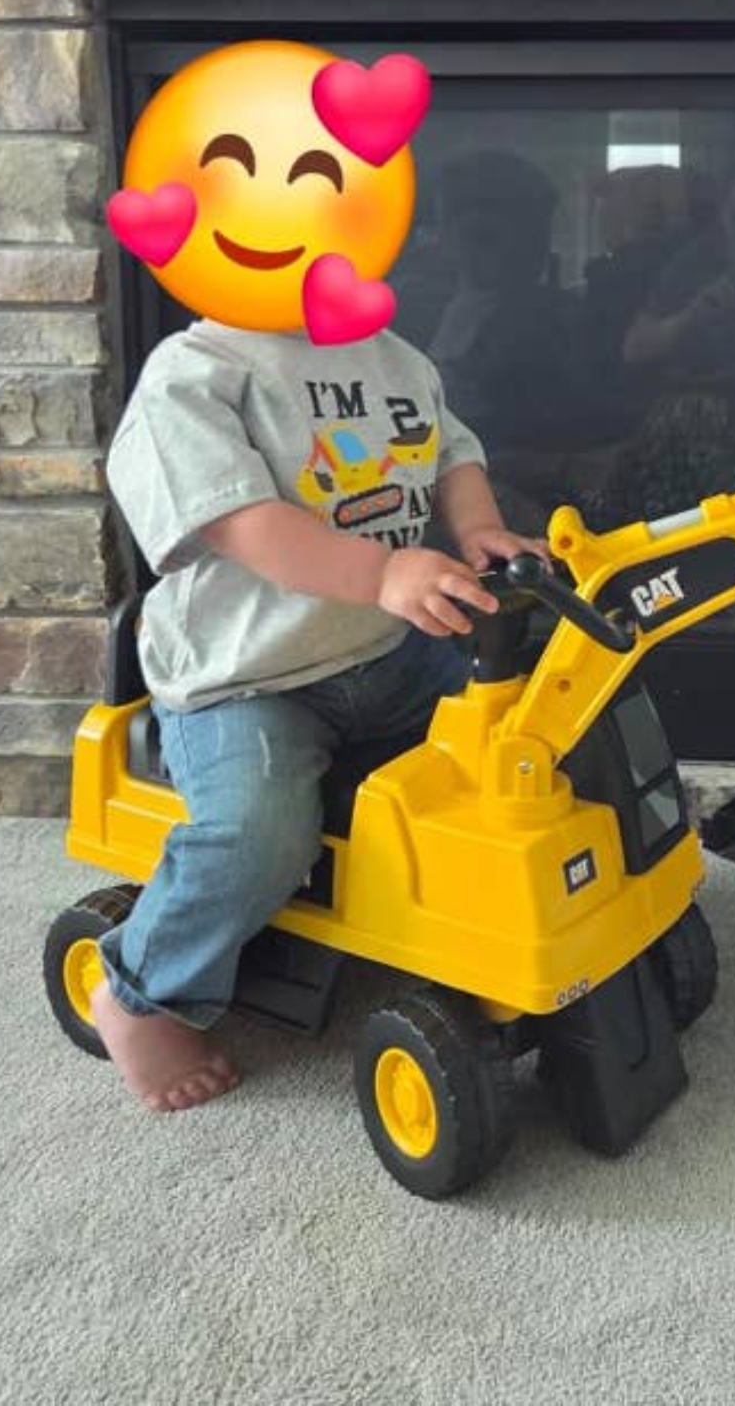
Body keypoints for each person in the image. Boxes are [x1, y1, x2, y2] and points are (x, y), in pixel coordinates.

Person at [95, 310, 540, 1111]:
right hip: (248, 677)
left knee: (526, 732)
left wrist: (479, 529)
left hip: (387, 650)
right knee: (258, 833)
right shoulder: (196, 374)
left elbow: (452, 453)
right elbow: (247, 524)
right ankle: (140, 994)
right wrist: (379, 574)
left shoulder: (392, 358)